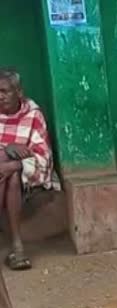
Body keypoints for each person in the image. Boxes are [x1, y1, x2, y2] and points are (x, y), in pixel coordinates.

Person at [0, 69, 57, 271]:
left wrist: (15, 164)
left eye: (4, 91)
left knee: (12, 174)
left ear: (19, 92)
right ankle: (18, 247)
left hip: (24, 179)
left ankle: (16, 245)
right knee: (4, 160)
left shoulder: (33, 115)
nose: (0, 96)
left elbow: (44, 159)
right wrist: (8, 149)